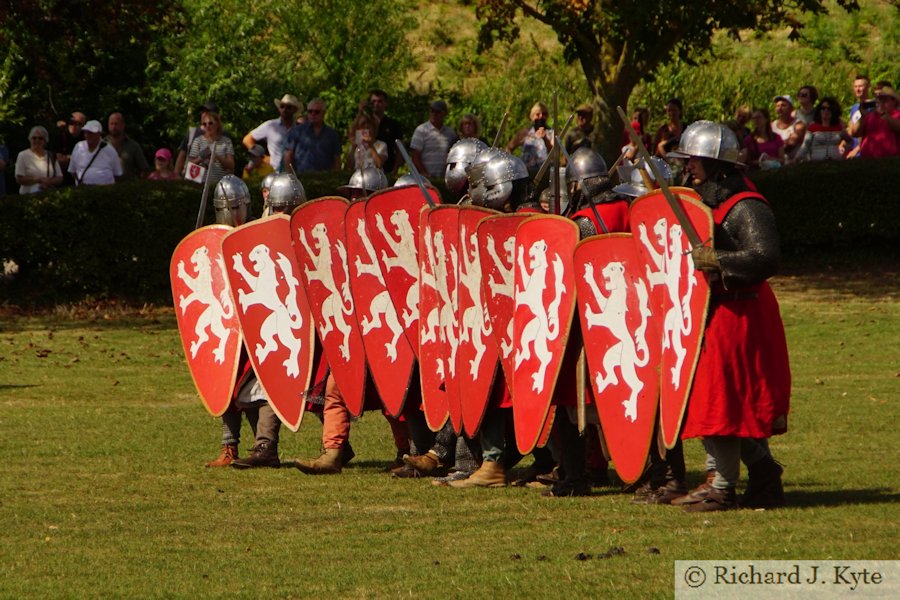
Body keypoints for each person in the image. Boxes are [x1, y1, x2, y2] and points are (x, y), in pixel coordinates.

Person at [668, 120, 790, 511]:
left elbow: (764, 257)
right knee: (722, 400)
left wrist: (715, 259)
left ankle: (720, 484)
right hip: (715, 309)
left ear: (715, 164)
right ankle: (764, 473)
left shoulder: (746, 205)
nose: (689, 169)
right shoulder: (713, 201)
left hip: (741, 312)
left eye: (694, 162)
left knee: (719, 399)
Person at [242, 93, 299, 173]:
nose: (284, 109)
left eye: (288, 107)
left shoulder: (299, 128)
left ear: (295, 110)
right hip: (274, 171)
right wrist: (263, 158)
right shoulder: (270, 125)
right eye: (282, 106)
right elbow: (247, 139)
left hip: (295, 172)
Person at [283, 98, 342, 173]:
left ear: (323, 113)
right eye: (310, 111)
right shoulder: (297, 131)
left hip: (324, 178)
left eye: (316, 112)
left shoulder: (332, 135)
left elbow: (336, 159)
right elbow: (288, 155)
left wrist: (335, 177)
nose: (312, 114)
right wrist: (291, 176)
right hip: (301, 177)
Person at [791, 97, 853, 162]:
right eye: (823, 108)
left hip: (834, 164)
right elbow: (805, 146)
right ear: (819, 110)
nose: (826, 111)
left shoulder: (839, 127)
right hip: (816, 164)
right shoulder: (813, 127)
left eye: (829, 109)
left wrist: (844, 156)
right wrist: (796, 159)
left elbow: (850, 141)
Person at [848, 83, 900, 158]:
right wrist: (862, 116)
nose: (881, 103)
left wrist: (884, 114)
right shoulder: (870, 116)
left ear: (894, 101)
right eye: (879, 100)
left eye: (885, 100)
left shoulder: (897, 114)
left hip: (890, 160)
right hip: (868, 160)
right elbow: (855, 133)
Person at [410, 99, 457, 178]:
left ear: (444, 113)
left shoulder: (450, 133)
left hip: (444, 177)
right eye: (432, 111)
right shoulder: (421, 130)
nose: (434, 114)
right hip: (425, 177)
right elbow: (415, 156)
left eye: (438, 112)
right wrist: (424, 173)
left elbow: (453, 156)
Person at [188, 110, 235, 188]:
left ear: (217, 124)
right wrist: (201, 158)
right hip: (201, 183)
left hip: (221, 184)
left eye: (210, 123)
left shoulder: (226, 141)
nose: (207, 126)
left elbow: (231, 166)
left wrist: (215, 156)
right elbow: (189, 165)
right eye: (204, 124)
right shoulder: (198, 141)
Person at [68, 120, 122, 185]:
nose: (88, 135)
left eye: (92, 133)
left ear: (99, 134)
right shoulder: (79, 147)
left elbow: (117, 174)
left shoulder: (109, 150)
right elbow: (72, 171)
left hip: (104, 191)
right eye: (86, 132)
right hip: (83, 190)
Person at [506, 102, 552, 173]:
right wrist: (512, 165)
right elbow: (509, 148)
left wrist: (545, 138)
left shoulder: (551, 133)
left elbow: (554, 152)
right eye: (538, 114)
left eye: (544, 114)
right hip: (527, 173)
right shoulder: (525, 132)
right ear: (532, 116)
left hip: (545, 173)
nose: (541, 116)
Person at [14, 126, 63, 194]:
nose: (37, 140)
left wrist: (48, 182)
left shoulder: (51, 156)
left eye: (40, 138)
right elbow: (19, 179)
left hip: (48, 195)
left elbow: (60, 177)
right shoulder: (22, 155)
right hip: (27, 196)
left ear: (45, 141)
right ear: (30, 139)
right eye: (34, 138)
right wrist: (37, 179)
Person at [175, 101, 217, 177]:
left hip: (211, 179)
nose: (204, 114)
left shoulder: (222, 135)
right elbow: (182, 155)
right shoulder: (192, 132)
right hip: (191, 177)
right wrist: (176, 174)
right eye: (203, 112)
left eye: (207, 112)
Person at [368, 89, 404, 173]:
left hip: (387, 170)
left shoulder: (394, 125)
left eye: (379, 101)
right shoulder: (365, 124)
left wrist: (395, 170)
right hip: (366, 169)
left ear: (385, 103)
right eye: (373, 101)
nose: (376, 104)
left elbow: (400, 150)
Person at [106, 112, 150, 180]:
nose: (113, 127)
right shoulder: (102, 145)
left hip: (126, 187)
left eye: (116, 124)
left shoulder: (133, 146)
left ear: (123, 125)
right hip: (104, 187)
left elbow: (144, 169)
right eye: (111, 124)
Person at [53, 111, 86, 186]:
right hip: (62, 179)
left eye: (79, 123)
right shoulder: (60, 137)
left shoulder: (85, 139)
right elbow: (59, 160)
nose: (74, 125)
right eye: (72, 122)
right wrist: (76, 157)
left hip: (79, 179)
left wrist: (68, 157)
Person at [846, 75, 872, 159]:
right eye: (855, 86)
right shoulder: (854, 107)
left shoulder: (874, 107)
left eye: (860, 86)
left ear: (868, 87)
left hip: (866, 152)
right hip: (854, 154)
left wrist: (857, 149)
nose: (858, 89)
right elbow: (851, 129)